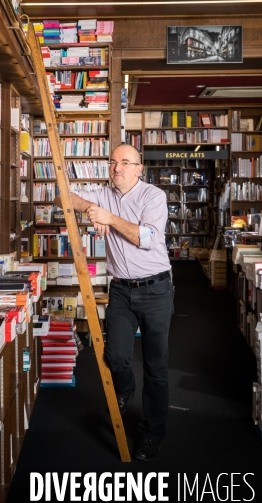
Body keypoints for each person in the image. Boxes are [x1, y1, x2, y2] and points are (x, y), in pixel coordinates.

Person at [54, 144, 174, 461]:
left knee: (156, 367)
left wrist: (110, 217)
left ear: (139, 168)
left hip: (156, 289)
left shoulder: (153, 197)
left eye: (125, 162)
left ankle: (152, 434)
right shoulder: (104, 193)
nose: (117, 167)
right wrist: (90, 209)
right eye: (113, 162)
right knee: (116, 355)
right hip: (121, 289)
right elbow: (62, 196)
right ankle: (124, 389)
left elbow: (146, 238)